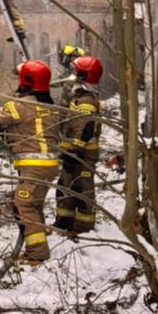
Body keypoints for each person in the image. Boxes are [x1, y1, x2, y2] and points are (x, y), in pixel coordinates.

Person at [0, 59, 61, 264]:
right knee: (33, 205)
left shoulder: (19, 106)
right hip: (48, 166)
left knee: (23, 205)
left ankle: (38, 254)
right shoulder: (50, 107)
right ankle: (37, 246)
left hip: (34, 167)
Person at [54, 54, 103, 235]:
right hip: (73, 154)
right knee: (66, 188)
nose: (73, 74)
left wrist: (73, 152)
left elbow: (85, 128)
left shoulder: (86, 101)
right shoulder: (79, 97)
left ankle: (83, 228)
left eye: (77, 71)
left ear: (83, 76)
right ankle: (64, 223)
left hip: (82, 156)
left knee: (83, 191)